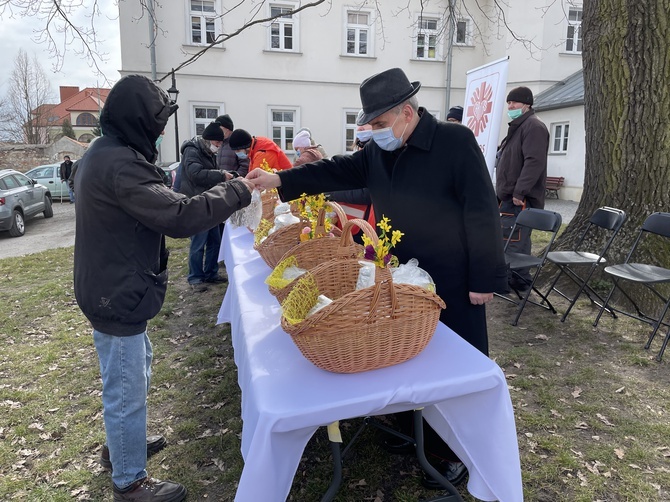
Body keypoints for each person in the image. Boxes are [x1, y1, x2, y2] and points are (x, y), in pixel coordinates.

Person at [247, 67, 508, 488]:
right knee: (406, 353)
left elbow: (481, 209)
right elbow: (332, 171)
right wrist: (279, 178)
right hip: (399, 273)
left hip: (454, 277)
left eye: (382, 125)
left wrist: (485, 276)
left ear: (407, 112)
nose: (377, 133)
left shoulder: (454, 142)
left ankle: (454, 452)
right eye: (372, 126)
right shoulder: (379, 152)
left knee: (454, 366)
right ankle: (412, 430)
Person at [73, 74, 254, 501]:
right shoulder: (119, 164)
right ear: (137, 120)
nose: (158, 131)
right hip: (114, 291)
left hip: (110, 284)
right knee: (126, 385)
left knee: (135, 368)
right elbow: (177, 217)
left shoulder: (105, 152)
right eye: (155, 122)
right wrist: (239, 189)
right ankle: (129, 481)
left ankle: (121, 446)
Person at [495, 86, 549, 291]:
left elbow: (534, 162)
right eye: (509, 103)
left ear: (527, 104)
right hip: (508, 197)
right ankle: (513, 280)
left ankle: (517, 281)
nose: (511, 106)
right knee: (509, 240)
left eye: (514, 103)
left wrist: (520, 191)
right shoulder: (518, 127)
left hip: (520, 199)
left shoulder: (533, 127)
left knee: (514, 240)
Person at [178, 121, 239, 290]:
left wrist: (227, 175)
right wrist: (220, 175)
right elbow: (195, 174)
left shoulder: (207, 151)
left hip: (209, 201)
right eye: (217, 144)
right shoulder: (192, 150)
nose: (218, 147)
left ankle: (211, 273)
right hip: (196, 203)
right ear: (208, 140)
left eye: (220, 144)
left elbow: (213, 173)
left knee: (215, 240)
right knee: (199, 243)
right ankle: (195, 278)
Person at [228, 129, 293, 172]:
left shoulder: (262, 153)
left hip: (286, 186)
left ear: (246, 147)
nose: (237, 153)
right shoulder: (257, 145)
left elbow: (256, 179)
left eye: (238, 150)